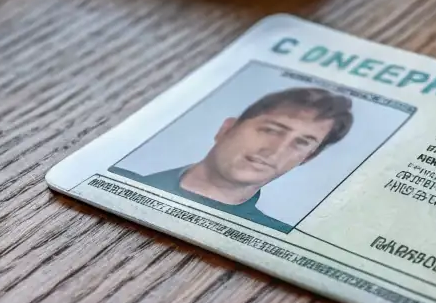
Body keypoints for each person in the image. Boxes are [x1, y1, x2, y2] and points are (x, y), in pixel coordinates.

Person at [118, 86, 354, 228]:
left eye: (301, 143)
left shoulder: (275, 236)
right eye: (270, 130)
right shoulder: (118, 181)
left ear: (307, 159)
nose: (275, 150)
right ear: (227, 129)